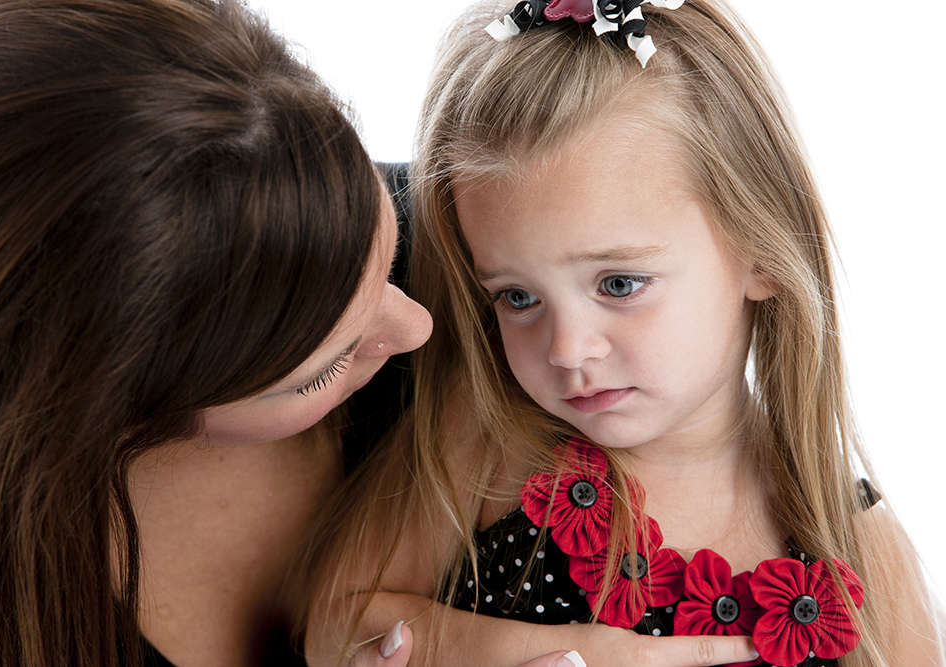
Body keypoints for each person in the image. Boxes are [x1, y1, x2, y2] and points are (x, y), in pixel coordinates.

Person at [307, 0, 946, 665]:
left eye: (618, 284)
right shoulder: (492, 445)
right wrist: (568, 653)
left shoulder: (855, 539)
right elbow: (333, 621)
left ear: (760, 247)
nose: (566, 348)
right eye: (517, 296)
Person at [0, 0, 443, 665]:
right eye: (324, 367)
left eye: (389, 245)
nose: (418, 325)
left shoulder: (493, 256)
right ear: (102, 410)